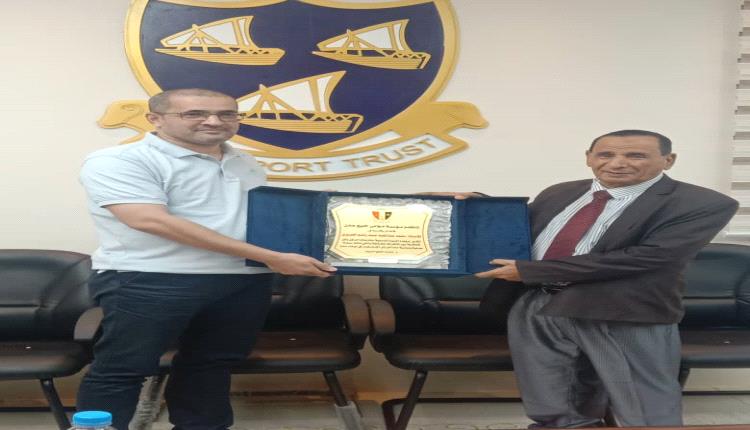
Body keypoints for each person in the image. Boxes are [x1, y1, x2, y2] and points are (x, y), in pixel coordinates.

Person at [77, 88, 336, 430]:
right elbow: (149, 220)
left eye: (227, 114)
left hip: (242, 281)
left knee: (211, 366)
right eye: (194, 113)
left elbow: (252, 221)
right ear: (155, 119)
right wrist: (270, 257)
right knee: (123, 369)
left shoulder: (244, 162)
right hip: (151, 279)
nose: (214, 121)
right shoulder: (121, 160)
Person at [476, 130, 738, 428]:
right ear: (589, 158)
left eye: (635, 155)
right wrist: (473, 206)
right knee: (551, 399)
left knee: (643, 404)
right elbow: (515, 228)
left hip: (620, 310)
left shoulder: (701, 203)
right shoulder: (559, 192)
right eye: (606, 154)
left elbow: (649, 257)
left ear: (668, 160)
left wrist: (533, 271)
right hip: (536, 303)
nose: (617, 163)